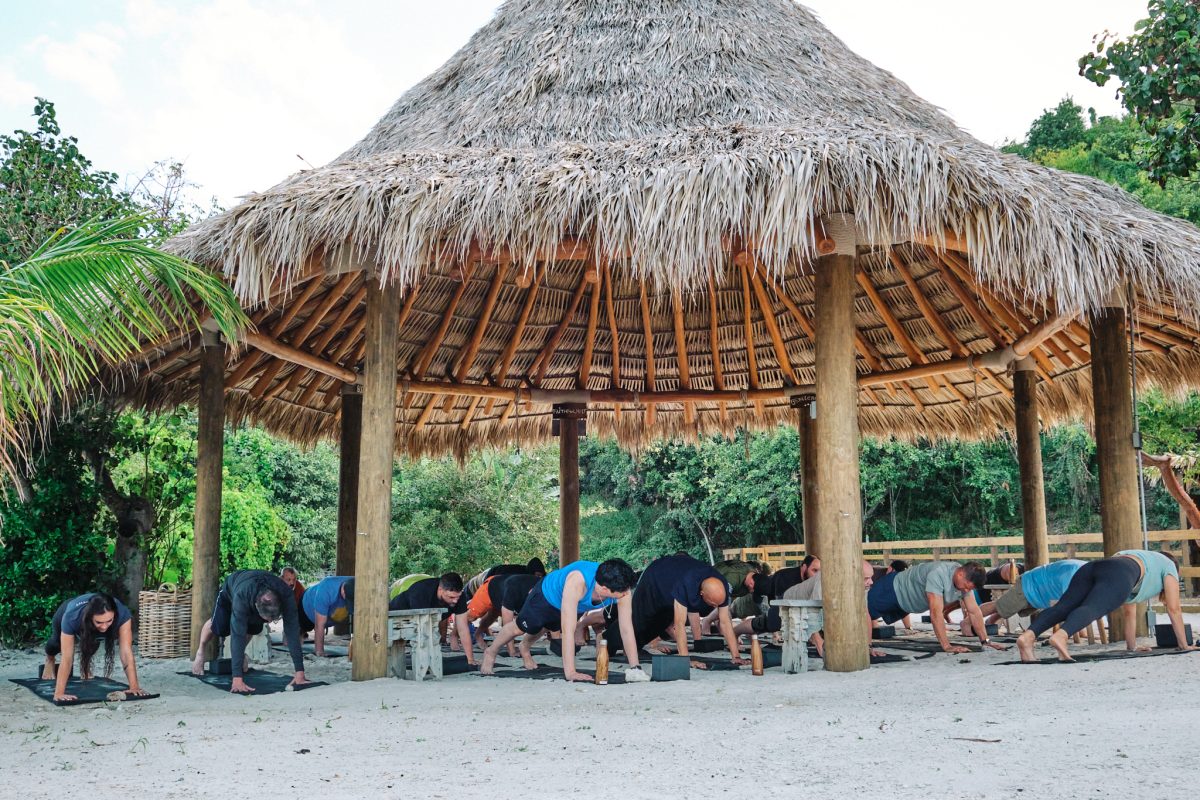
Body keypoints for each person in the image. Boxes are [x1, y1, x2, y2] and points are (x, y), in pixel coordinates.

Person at [480, 559, 649, 683]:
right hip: (547, 596)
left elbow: (626, 628)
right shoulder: (577, 581)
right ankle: (491, 651)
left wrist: (635, 667)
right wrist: (571, 672)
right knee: (520, 628)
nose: (627, 594)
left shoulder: (622, 590)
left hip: (574, 604)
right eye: (623, 592)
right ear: (605, 589)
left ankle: (525, 646)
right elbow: (567, 631)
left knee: (546, 627)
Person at [1015, 550, 1198, 663]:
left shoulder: (1141, 558)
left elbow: (1129, 612)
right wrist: (1184, 645)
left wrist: (1131, 647)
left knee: (1064, 606)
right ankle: (1061, 636)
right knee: (1093, 608)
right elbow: (1174, 609)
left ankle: (1027, 637)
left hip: (1093, 567)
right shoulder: (1168, 566)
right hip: (1118, 573)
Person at [607, 554, 747, 669]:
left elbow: (725, 621)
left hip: (671, 582)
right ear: (702, 593)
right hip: (656, 577)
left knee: (662, 621)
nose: (715, 606)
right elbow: (679, 625)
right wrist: (685, 660)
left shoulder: (720, 586)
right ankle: (607, 641)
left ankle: (636, 646)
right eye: (712, 603)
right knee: (642, 617)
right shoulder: (686, 584)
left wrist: (736, 656)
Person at [191, 570, 309, 693]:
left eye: (272, 620)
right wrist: (237, 679)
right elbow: (237, 634)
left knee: (254, 627)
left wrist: (299, 672)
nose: (269, 623)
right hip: (230, 590)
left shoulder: (286, 594)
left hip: (256, 590)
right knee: (219, 626)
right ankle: (200, 652)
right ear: (256, 606)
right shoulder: (242, 596)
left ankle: (241, 654)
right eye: (267, 620)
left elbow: (292, 630)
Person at [867, 561, 1006, 654]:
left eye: (969, 589)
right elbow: (935, 613)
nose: (965, 590)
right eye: (966, 586)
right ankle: (864, 648)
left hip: (907, 604)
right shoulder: (938, 574)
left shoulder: (964, 582)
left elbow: (975, 612)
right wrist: (947, 646)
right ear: (960, 574)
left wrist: (985, 641)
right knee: (862, 614)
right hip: (891, 589)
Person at [43, 592, 148, 703]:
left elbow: (126, 652)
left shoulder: (122, 614)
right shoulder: (72, 617)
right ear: (90, 617)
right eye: (99, 622)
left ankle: (86, 666)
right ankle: (49, 659)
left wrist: (134, 687)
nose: (104, 626)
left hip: (92, 623)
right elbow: (67, 658)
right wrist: (59, 693)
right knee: (55, 644)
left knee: (94, 641)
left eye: (109, 621)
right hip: (66, 610)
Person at [784, 560, 882, 659]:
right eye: (866, 578)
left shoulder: (863, 586)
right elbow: (811, 612)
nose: (871, 582)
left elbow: (865, 614)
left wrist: (868, 647)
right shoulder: (825, 580)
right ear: (851, 575)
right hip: (791, 598)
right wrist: (820, 646)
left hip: (815, 604)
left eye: (871, 577)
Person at [389, 573, 473, 664]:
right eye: (451, 597)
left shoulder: (459, 598)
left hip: (423, 620)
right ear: (440, 590)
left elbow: (463, 629)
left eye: (458, 597)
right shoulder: (421, 591)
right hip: (395, 616)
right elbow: (423, 629)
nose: (455, 601)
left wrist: (470, 659)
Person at [732, 555, 821, 635]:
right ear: (804, 567)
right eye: (814, 570)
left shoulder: (805, 582)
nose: (817, 575)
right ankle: (732, 633)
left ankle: (733, 631)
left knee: (764, 623)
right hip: (751, 597)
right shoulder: (787, 577)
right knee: (731, 613)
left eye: (820, 572)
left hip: (765, 598)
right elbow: (778, 610)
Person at [979, 559, 1085, 621]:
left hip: (1040, 592)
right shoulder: (1073, 571)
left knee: (1007, 607)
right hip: (1029, 586)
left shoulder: (1084, 569)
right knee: (999, 606)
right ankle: (969, 622)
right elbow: (1070, 602)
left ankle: (988, 623)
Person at [300, 575, 354, 658]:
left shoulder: (358, 583)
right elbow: (319, 625)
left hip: (331, 616)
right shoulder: (327, 589)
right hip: (307, 606)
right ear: (343, 592)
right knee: (299, 631)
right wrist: (319, 651)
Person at [280, 567, 307, 641]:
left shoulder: (298, 586)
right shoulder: (276, 584)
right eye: (288, 580)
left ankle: (300, 634)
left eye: (294, 579)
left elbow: (304, 599)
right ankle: (286, 637)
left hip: (296, 608)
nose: (292, 583)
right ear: (282, 578)